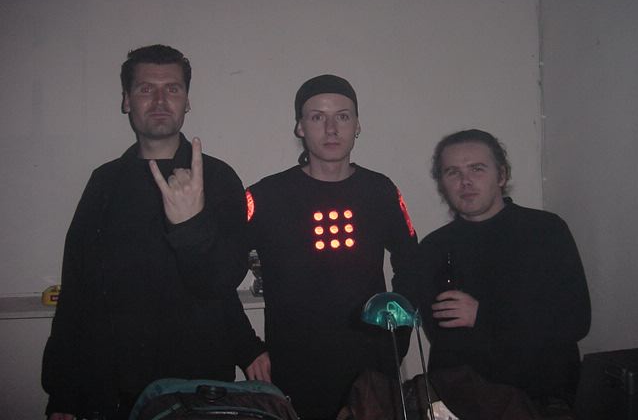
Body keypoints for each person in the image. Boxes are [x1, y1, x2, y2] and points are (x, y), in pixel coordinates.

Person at [42, 45, 269, 420]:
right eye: (146, 89)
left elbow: (221, 282)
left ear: (187, 101)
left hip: (197, 388)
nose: (160, 100)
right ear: (127, 100)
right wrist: (64, 392)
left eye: (172, 89)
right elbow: (78, 291)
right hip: (114, 388)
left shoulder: (218, 178)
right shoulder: (105, 183)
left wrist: (191, 225)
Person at [245, 74, 419, 419]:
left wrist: (397, 337)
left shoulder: (380, 190)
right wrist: (246, 347)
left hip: (369, 367)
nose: (331, 129)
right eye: (317, 117)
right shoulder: (264, 196)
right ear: (300, 127)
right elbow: (218, 276)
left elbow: (412, 262)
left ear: (357, 125)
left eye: (342, 116)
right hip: (294, 365)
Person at [419, 129, 591, 412]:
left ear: (501, 175)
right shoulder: (434, 247)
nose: (465, 181)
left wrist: (483, 315)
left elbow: (575, 321)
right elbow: (443, 338)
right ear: (442, 183)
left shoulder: (545, 230)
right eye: (453, 172)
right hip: (465, 401)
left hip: (541, 400)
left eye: (477, 169)